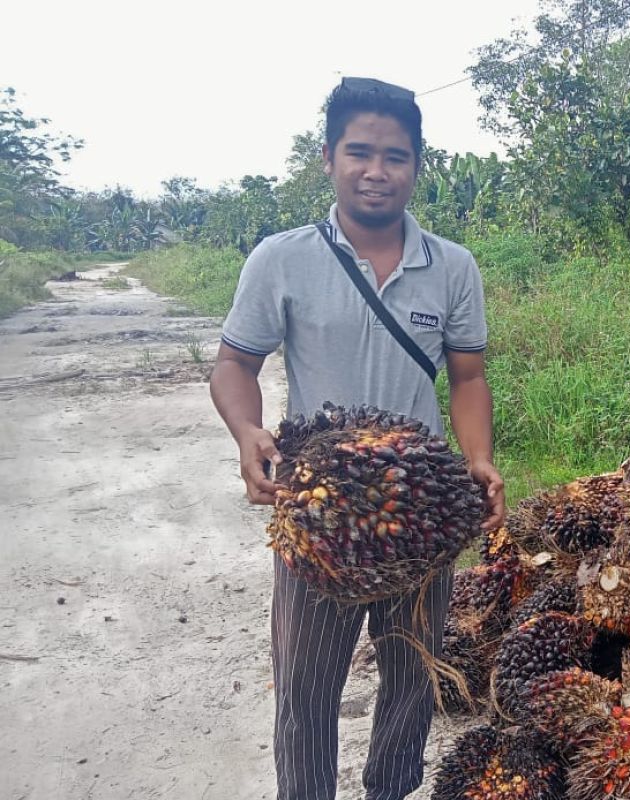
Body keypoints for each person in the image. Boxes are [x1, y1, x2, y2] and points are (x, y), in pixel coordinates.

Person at [209, 77, 504, 800]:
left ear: (417, 166)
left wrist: (479, 459)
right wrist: (247, 430)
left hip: (423, 509)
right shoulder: (282, 258)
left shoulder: (453, 266)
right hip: (320, 512)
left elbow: (466, 378)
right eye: (361, 153)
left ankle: (391, 790)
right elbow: (234, 365)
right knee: (306, 685)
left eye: (395, 156)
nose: (377, 171)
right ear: (329, 158)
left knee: (412, 678)